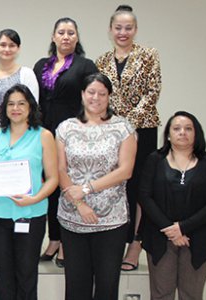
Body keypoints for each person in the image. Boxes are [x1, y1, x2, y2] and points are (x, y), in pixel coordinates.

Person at [56, 73, 136, 300]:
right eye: (91, 92)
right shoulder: (65, 128)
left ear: (109, 96)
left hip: (111, 221)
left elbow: (125, 171)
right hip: (73, 219)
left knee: (107, 285)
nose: (96, 98)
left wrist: (86, 188)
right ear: (82, 94)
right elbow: (61, 169)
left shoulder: (123, 128)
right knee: (76, 286)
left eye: (102, 93)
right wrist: (79, 203)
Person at [95, 4, 163, 272]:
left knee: (139, 187)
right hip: (111, 131)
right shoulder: (102, 60)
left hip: (142, 130)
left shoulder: (148, 55)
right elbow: (100, 96)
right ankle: (114, 241)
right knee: (115, 184)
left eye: (128, 28)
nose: (123, 32)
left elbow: (152, 91)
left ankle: (136, 244)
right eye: (118, 27)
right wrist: (116, 127)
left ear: (135, 30)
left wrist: (129, 125)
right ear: (111, 30)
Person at [0, 84, 58, 299]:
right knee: (2, 276)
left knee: (26, 275)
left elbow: (53, 179)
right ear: (4, 108)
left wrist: (35, 199)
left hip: (30, 215)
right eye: (11, 104)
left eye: (21, 103)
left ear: (30, 107)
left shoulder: (44, 136)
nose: (16, 108)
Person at [33, 18, 99, 266]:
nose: (66, 37)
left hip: (72, 133)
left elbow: (93, 99)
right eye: (61, 32)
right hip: (43, 132)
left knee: (67, 186)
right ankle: (54, 239)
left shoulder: (85, 65)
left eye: (71, 33)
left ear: (77, 37)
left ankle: (67, 244)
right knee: (49, 186)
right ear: (53, 36)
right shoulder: (41, 65)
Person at [139, 111, 206, 300]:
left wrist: (183, 228)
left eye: (188, 128)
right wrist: (170, 229)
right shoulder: (154, 160)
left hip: (199, 235)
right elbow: (144, 196)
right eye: (176, 128)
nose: (182, 132)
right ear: (168, 134)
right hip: (160, 234)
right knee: (161, 293)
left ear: (197, 133)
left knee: (192, 294)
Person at [0, 29, 39, 150]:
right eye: (3, 45)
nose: (7, 49)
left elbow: (32, 107)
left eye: (12, 45)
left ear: (18, 48)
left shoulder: (26, 74)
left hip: (19, 140)